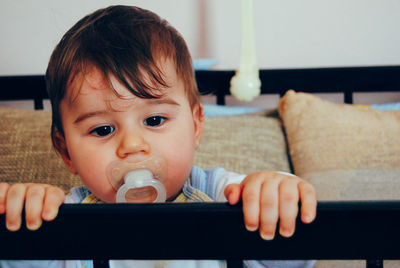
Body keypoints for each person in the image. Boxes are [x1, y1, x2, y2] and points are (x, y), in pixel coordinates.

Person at [0, 5, 317, 268]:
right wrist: (20, 215)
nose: (133, 146)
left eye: (154, 119)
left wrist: (274, 192)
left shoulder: (222, 197)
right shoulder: (64, 219)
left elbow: (292, 260)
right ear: (66, 151)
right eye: (103, 129)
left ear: (195, 126)